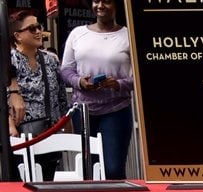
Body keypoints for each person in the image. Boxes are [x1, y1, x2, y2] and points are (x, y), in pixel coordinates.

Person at [60, 0, 134, 179]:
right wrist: (79, 82)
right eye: (96, 1)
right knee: (88, 169)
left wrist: (118, 84)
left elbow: (138, 78)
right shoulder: (77, 33)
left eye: (107, 1)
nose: (100, 6)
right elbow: (66, 69)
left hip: (116, 109)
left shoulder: (128, 35)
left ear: (116, 6)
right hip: (82, 112)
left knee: (113, 168)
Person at [8, 11, 70, 177]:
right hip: (20, 135)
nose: (38, 31)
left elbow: (61, 95)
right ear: (18, 36)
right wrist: (10, 125)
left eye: (39, 26)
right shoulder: (8, 61)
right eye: (31, 28)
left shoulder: (51, 59)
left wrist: (66, 123)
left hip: (50, 131)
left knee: (49, 180)